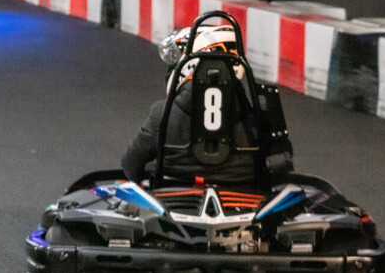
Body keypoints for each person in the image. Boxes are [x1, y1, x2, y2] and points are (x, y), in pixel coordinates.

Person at [121, 18, 292, 187]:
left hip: (175, 202)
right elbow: (280, 165)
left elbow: (131, 166)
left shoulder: (161, 113)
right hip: (244, 202)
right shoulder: (258, 112)